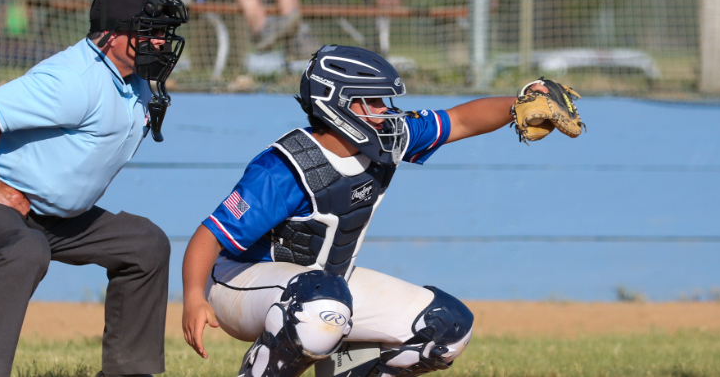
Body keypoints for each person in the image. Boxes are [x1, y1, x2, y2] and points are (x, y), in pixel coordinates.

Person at [181, 45, 559, 377]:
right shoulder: (286, 168)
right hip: (237, 285)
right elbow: (209, 236)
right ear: (338, 105)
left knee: (446, 328)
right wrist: (194, 297)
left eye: (385, 101)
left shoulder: (386, 139)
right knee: (318, 304)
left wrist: (518, 106)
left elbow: (458, 120)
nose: (386, 112)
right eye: (374, 102)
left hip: (325, 287)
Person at [0, 0, 188, 377]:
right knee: (25, 250)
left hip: (57, 215)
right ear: (111, 36)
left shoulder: (134, 82)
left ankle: (128, 372)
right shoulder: (74, 80)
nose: (159, 43)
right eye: (148, 32)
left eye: (162, 34)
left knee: (145, 244)